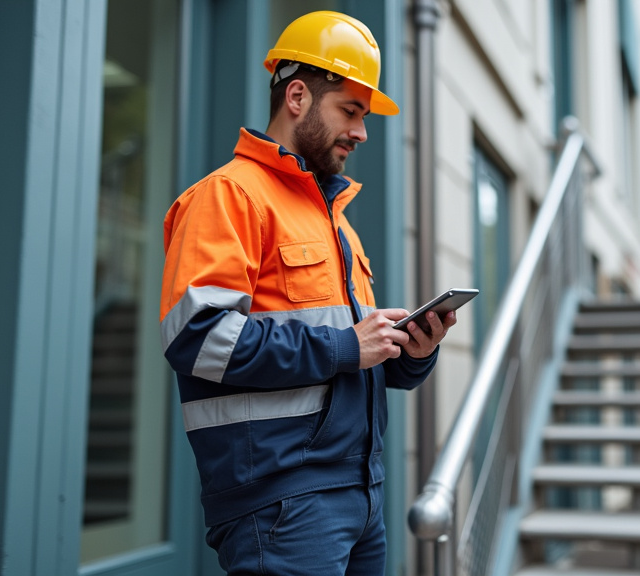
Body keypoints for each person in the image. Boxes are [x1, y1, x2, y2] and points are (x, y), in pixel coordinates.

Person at [159, 11, 455, 575]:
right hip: (282, 504)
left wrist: (410, 353)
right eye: (350, 111)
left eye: (364, 116)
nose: (362, 132)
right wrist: (346, 346)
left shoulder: (335, 221)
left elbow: (354, 358)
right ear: (297, 96)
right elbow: (198, 340)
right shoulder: (227, 197)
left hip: (361, 492)